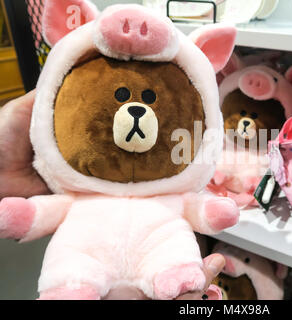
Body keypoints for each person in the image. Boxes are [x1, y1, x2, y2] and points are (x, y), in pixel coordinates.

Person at [0, 91, 225, 300]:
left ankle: (172, 272)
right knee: (72, 262)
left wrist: (212, 210)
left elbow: (196, 208)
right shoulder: (78, 198)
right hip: (87, 254)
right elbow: (43, 211)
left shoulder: (172, 195)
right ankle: (72, 286)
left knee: (172, 252)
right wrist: (24, 214)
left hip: (159, 246)